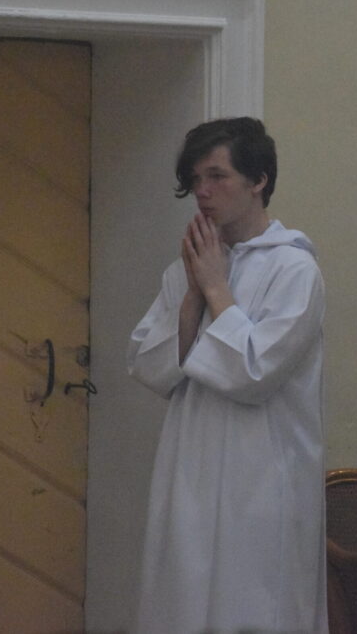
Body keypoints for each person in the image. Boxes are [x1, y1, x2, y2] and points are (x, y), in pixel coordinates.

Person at [128, 117, 327, 634]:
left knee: (252, 605)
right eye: (196, 180)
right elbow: (150, 366)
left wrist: (217, 289)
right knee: (182, 601)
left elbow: (254, 373)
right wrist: (194, 296)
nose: (203, 192)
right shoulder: (187, 268)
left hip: (262, 476)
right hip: (190, 467)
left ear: (259, 179)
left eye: (217, 176)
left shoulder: (294, 270)